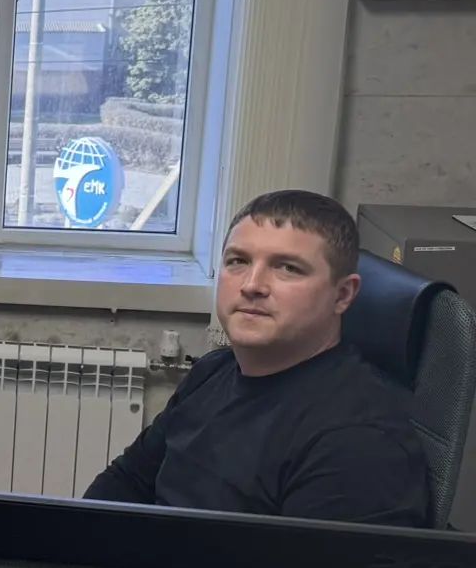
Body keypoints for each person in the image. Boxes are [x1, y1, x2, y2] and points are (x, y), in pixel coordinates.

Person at [85, 189, 429, 527]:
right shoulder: (213, 370)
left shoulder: (359, 443)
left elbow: (295, 567)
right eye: (238, 261)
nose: (252, 285)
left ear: (342, 295)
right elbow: (128, 481)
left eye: (288, 268)